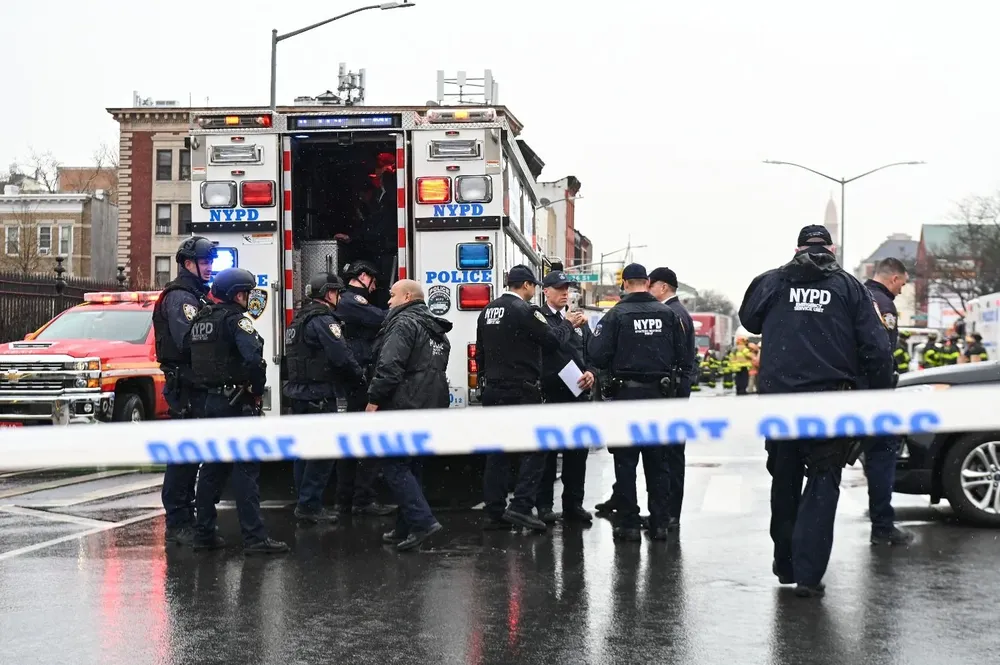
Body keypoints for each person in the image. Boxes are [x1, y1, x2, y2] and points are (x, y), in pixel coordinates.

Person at [739, 225, 893, 597]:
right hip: (831, 403)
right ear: (832, 248)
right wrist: (880, 395)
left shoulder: (773, 281)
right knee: (823, 484)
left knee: (785, 480)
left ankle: (786, 562)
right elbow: (876, 347)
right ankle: (808, 575)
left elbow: (749, 320)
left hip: (781, 403)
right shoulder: (850, 288)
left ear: (796, 248)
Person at [186, 268, 289, 555]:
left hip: (211, 403)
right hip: (235, 401)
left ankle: (203, 533)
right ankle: (255, 539)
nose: (248, 298)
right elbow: (254, 360)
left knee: (212, 469)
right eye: (246, 292)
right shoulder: (235, 321)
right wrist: (256, 390)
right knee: (245, 470)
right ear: (236, 294)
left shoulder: (201, 320)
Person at [588, 263, 692, 542]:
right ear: (646, 282)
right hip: (659, 398)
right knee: (658, 464)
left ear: (624, 283)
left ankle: (630, 524)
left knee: (625, 465)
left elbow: (597, 355)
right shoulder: (668, 315)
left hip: (625, 398)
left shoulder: (616, 315)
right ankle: (659, 524)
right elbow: (684, 357)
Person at [477, 264, 570, 532]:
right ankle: (520, 507)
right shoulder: (525, 311)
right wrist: (567, 323)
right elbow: (551, 340)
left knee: (497, 452)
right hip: (521, 390)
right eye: (534, 287)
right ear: (527, 285)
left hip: (493, 389)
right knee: (535, 449)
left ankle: (495, 511)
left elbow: (480, 352)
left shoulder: (487, 311)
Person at [366, 279, 448, 551]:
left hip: (404, 406)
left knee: (394, 465)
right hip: (429, 406)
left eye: (392, 296)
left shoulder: (403, 324)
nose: (388, 301)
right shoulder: (436, 329)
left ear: (407, 297)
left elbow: (390, 367)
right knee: (412, 466)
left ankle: (423, 523)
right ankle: (405, 526)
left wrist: (374, 400)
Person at [284, 272, 367, 524]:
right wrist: (360, 379)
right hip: (319, 395)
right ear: (329, 293)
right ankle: (309, 506)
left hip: (298, 394)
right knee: (322, 452)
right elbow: (341, 356)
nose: (339, 297)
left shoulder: (296, 321)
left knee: (303, 452)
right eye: (337, 292)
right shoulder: (324, 320)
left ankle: (305, 502)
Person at [150, 235, 215, 547]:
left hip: (195, 384)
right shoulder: (180, 298)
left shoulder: (196, 295)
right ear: (188, 264)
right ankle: (177, 523)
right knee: (183, 458)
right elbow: (189, 340)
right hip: (185, 387)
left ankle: (185, 518)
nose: (210, 267)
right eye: (205, 262)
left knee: (192, 456)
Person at [334, 260, 397, 518]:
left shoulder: (349, 300)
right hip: (358, 380)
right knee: (368, 439)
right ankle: (361, 499)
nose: (374, 287)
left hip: (355, 378)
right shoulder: (351, 300)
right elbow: (379, 318)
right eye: (372, 281)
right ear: (362, 276)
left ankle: (347, 501)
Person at [535, 269, 596, 525]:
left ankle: (573, 506)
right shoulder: (539, 317)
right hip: (551, 396)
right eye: (559, 289)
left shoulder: (580, 321)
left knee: (576, 456)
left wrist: (592, 372)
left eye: (567, 289)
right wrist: (567, 324)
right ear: (545, 291)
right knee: (547, 457)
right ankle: (545, 507)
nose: (564, 293)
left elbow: (593, 353)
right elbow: (546, 347)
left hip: (577, 396)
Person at [863, 257, 915, 546]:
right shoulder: (883, 303)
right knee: (882, 456)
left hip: (847, 391)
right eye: (903, 284)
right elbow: (882, 353)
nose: (902, 291)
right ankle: (882, 526)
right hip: (874, 395)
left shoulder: (858, 294)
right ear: (894, 278)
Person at [649, 266, 696, 529]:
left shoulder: (672, 314)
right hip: (679, 388)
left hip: (673, 390)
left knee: (670, 455)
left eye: (651, 285)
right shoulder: (678, 312)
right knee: (670, 454)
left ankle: (669, 514)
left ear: (663, 287)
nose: (649, 290)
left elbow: (675, 355)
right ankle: (667, 512)